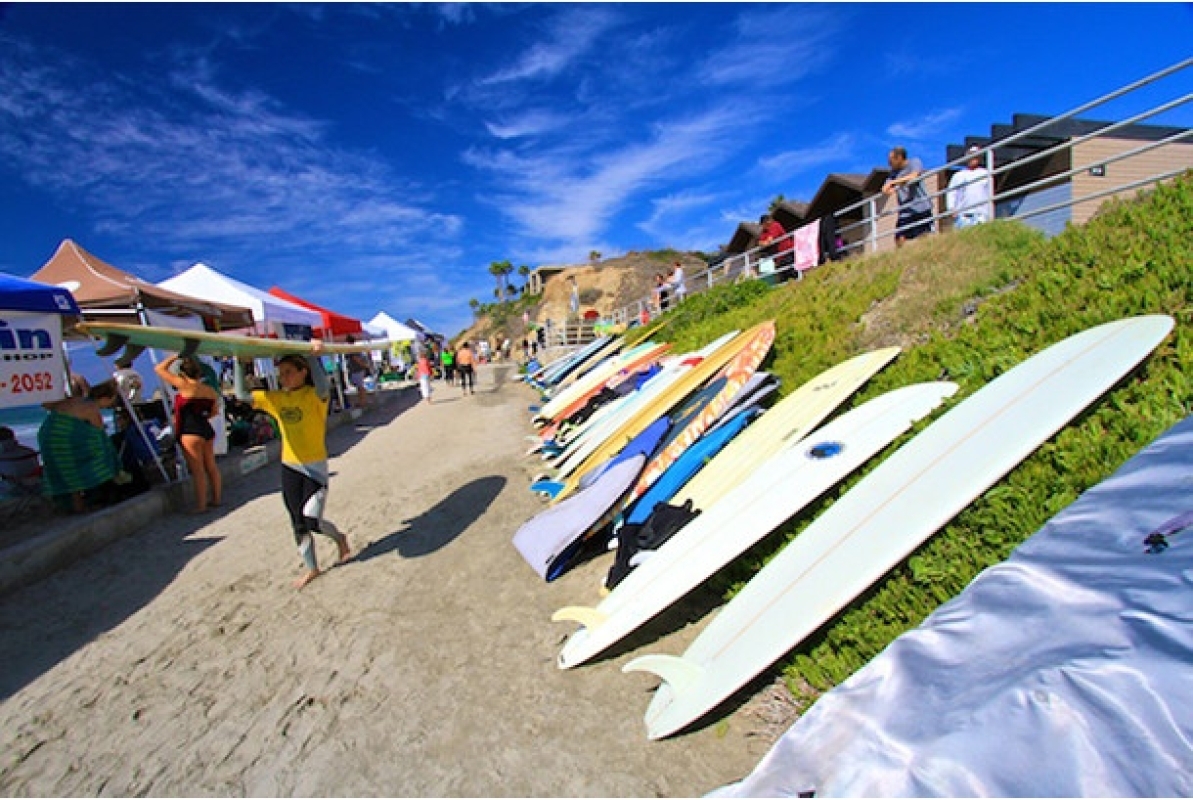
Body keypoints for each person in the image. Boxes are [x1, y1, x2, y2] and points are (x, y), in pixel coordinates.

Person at [239, 345, 350, 589]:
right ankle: (312, 568)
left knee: (311, 519)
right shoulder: (276, 399)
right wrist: (238, 362)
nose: (283, 377)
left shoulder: (315, 395)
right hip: (290, 466)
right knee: (297, 522)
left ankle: (339, 538)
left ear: (303, 372)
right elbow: (242, 396)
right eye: (281, 372)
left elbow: (323, 385)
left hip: (315, 467)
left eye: (289, 371)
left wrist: (313, 355)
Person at [38, 378, 126, 513]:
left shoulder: (77, 400)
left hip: (47, 435)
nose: (109, 405)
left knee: (68, 471)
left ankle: (76, 505)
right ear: (104, 398)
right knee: (101, 451)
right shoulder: (91, 407)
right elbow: (99, 432)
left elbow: (48, 406)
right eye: (111, 401)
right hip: (62, 437)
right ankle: (107, 485)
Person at [155, 354, 222, 514]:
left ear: (183, 373)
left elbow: (159, 369)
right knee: (211, 466)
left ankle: (201, 506)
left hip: (190, 431)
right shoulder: (209, 390)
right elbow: (214, 412)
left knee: (197, 470)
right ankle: (217, 499)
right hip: (206, 429)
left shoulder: (183, 385)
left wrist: (176, 355)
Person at [883, 146, 935, 247]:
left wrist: (894, 182)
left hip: (921, 207)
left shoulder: (914, 162)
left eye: (891, 160)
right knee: (899, 237)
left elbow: (914, 176)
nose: (889, 164)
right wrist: (888, 188)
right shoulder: (893, 173)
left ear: (899, 158)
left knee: (924, 236)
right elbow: (885, 188)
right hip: (905, 211)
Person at [947, 145, 992, 229]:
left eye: (975, 155)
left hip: (981, 214)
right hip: (963, 216)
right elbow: (951, 192)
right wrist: (951, 209)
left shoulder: (986, 173)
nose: (973, 158)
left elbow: (990, 193)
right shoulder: (958, 175)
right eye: (971, 155)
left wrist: (989, 212)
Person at [344, 338, 371, 410]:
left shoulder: (352, 350)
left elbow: (357, 359)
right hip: (357, 370)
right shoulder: (355, 349)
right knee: (359, 387)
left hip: (357, 370)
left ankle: (363, 402)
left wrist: (364, 365)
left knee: (360, 387)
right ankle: (362, 401)